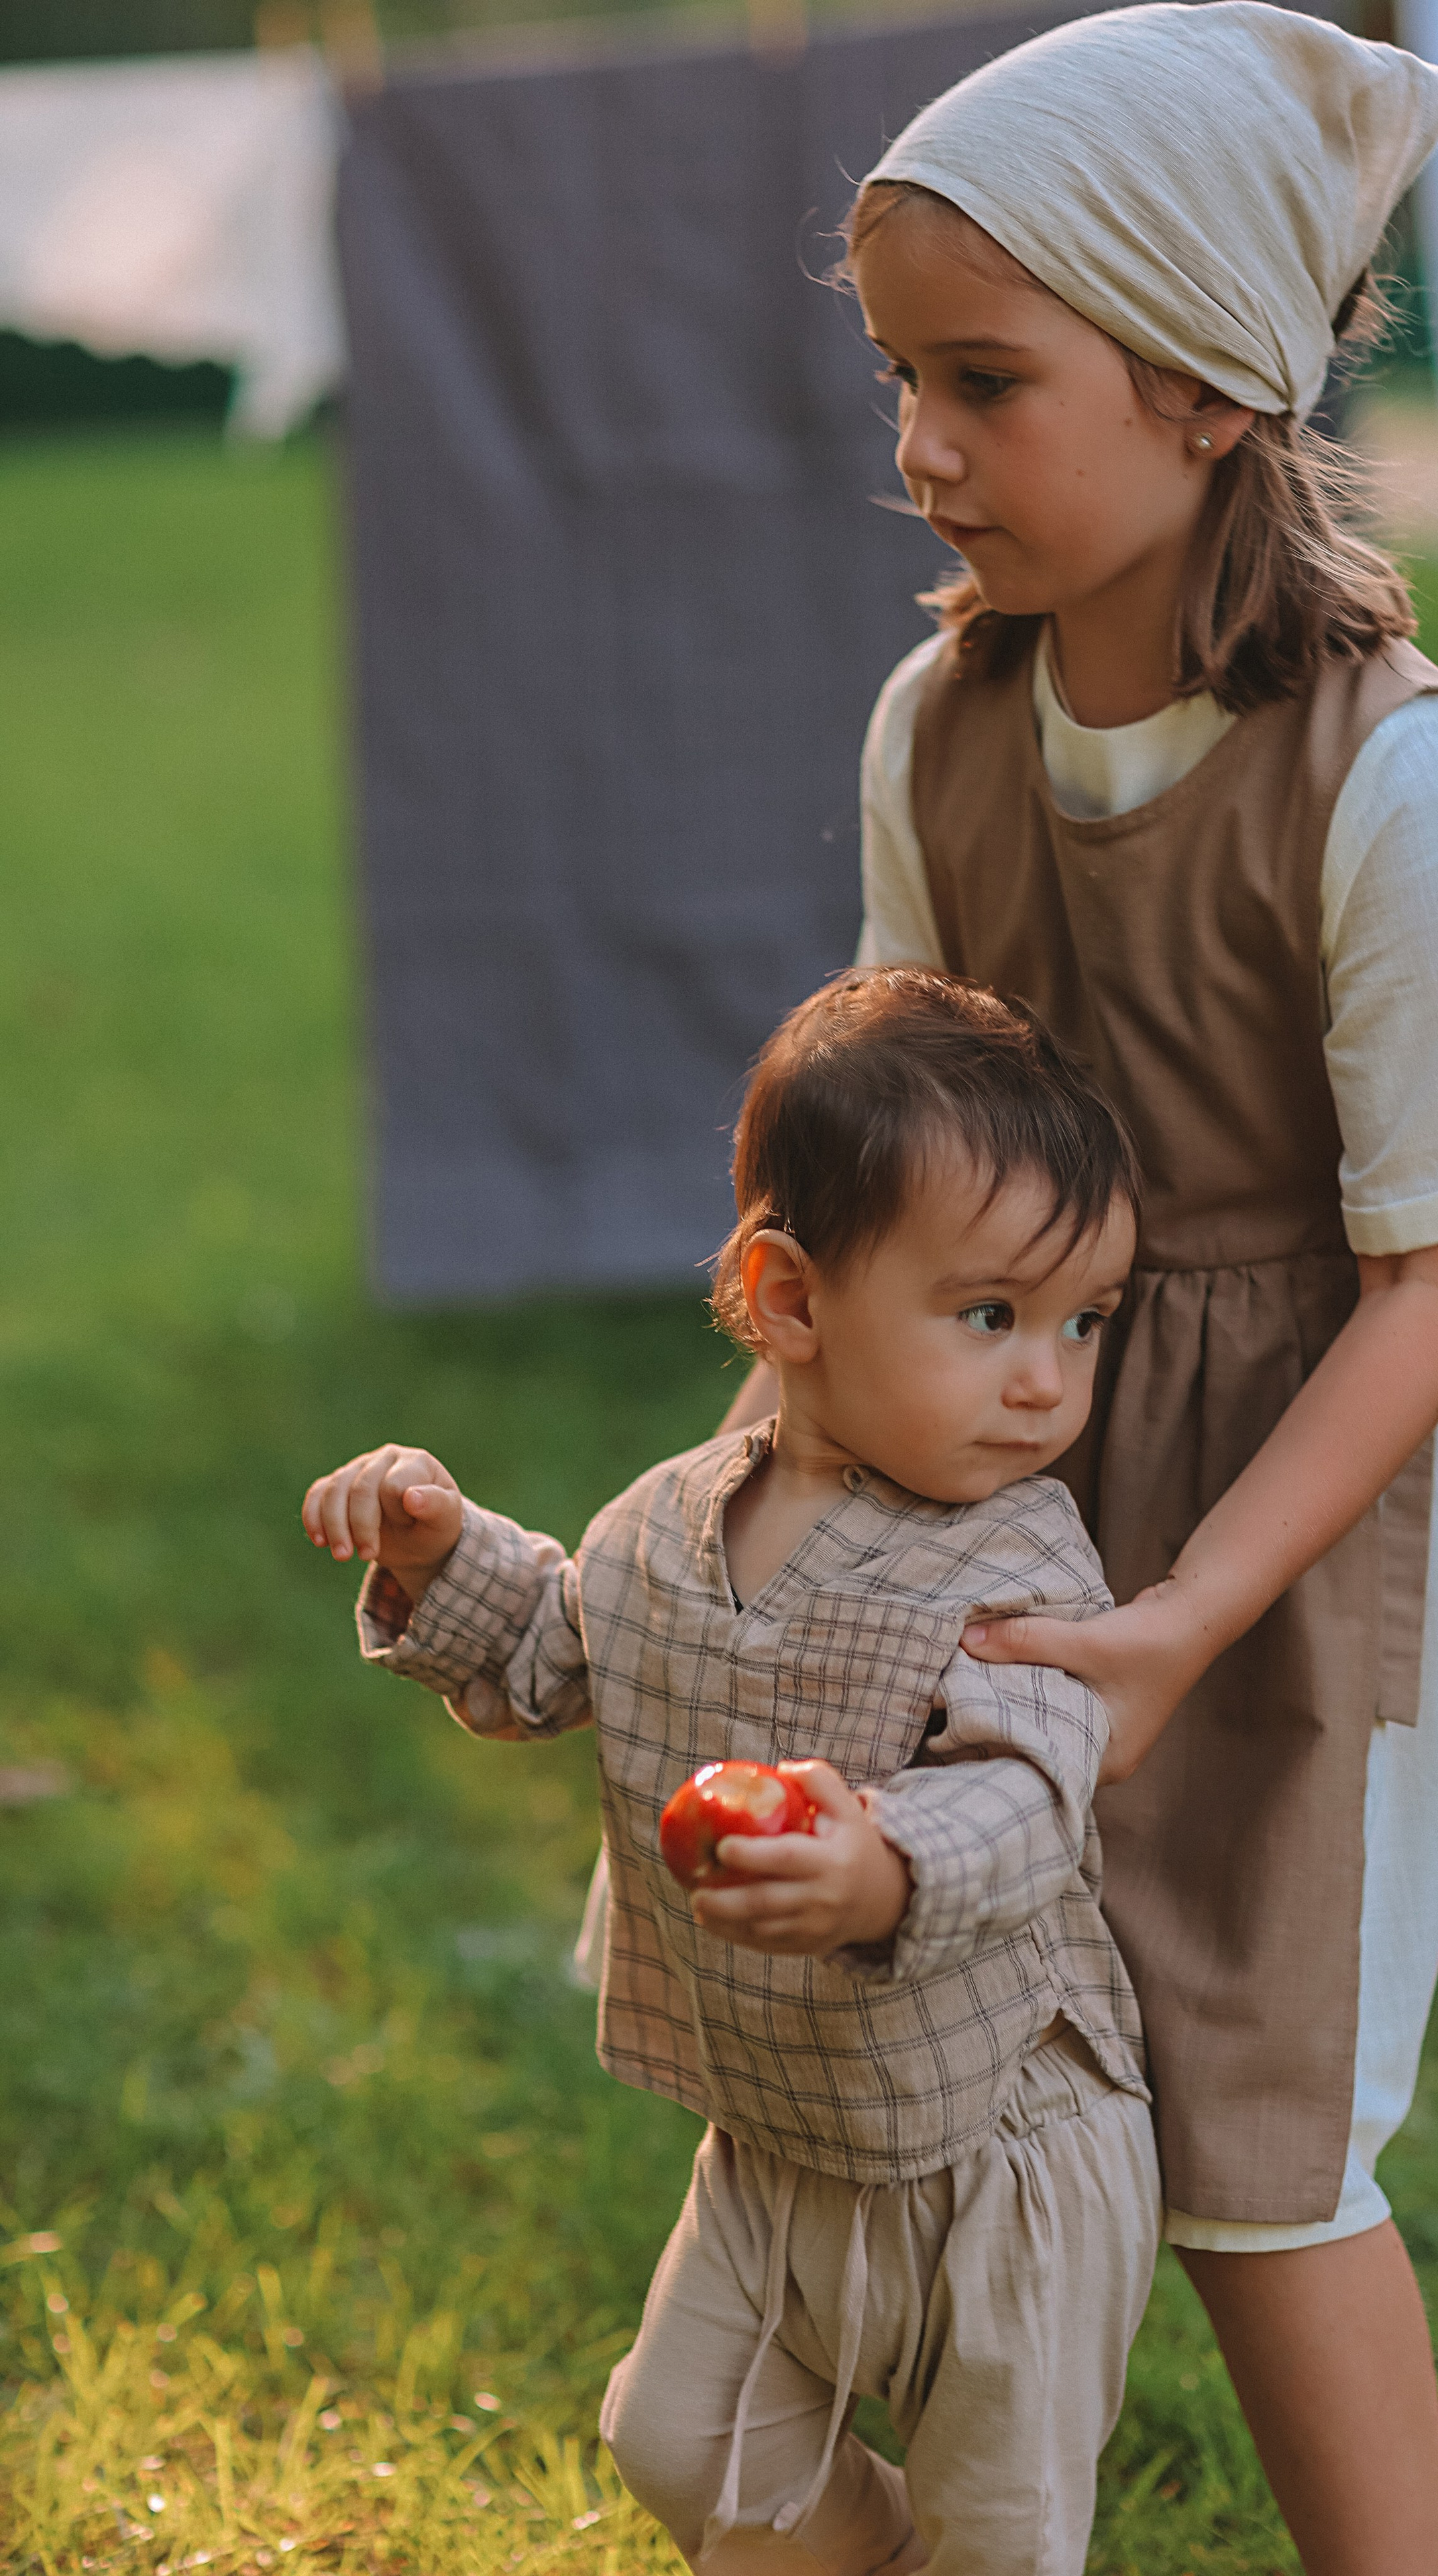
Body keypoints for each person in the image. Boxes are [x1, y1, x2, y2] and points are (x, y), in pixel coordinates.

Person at [712, 9, 1438, 2571]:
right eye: (901, 378)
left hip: (1325, 1501)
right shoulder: (940, 728)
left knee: (1256, 2121)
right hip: (1016, 1457)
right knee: (974, 2032)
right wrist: (788, 1465)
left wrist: (1200, 1607)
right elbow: (900, 1147)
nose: (920, 446)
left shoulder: (1383, 772)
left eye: (985, 382)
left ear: (1216, 385)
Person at [302, 969, 1161, 2576]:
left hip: (1001, 2152)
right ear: (787, 1300)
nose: (1046, 1377)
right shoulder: (670, 1521)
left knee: (1006, 2532)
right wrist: (440, 1552)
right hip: (779, 2130)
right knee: (678, 2442)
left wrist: (882, 1866)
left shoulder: (1020, 1556)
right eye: (991, 1315)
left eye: (1082, 1322)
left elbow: (1033, 1784)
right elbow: (559, 1655)